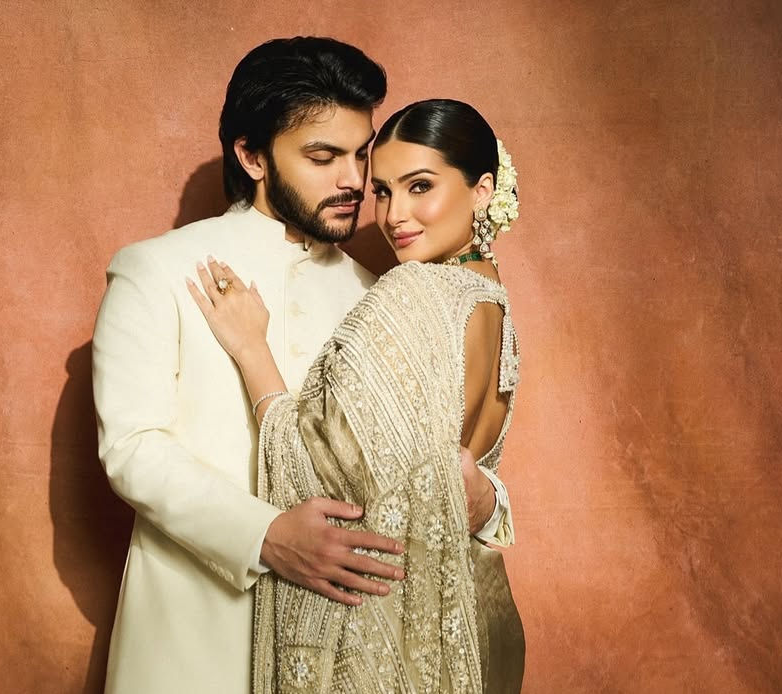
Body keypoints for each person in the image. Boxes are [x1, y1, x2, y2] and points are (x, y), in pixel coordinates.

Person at [91, 37, 514, 692]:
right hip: (195, 631)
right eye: (323, 157)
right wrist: (264, 535)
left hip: (341, 651)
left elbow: (439, 459)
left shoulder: (382, 291)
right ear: (252, 156)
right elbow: (133, 448)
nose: (353, 182)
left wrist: (488, 502)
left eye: (361, 155)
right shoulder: (157, 269)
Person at [187, 99, 525, 693]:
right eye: (384, 192)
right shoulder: (495, 304)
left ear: (482, 190)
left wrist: (251, 349)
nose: (395, 216)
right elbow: (460, 473)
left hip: (384, 633)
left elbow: (320, 467)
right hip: (470, 625)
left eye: (421, 187)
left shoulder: (414, 291)